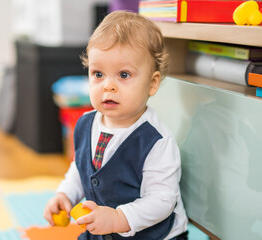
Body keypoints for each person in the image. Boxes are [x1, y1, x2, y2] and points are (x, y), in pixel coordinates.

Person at [44, 10, 188, 240]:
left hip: (151, 236)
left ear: (152, 83)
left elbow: (162, 200)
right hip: (103, 231)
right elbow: (81, 170)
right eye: (98, 74)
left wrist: (118, 218)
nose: (108, 86)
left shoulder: (156, 141)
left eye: (123, 74)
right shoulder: (85, 124)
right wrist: (66, 195)